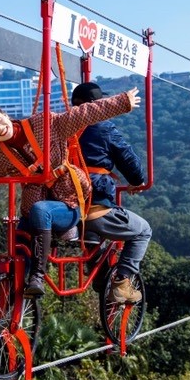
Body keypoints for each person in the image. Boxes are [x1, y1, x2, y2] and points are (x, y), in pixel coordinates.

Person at [0, 88, 141, 296]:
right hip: (36, 205)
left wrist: (122, 102)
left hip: (69, 200)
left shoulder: (45, 124)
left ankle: (38, 275)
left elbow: (84, 113)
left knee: (40, 210)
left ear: (6, 115)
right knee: (19, 244)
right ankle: (11, 305)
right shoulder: (1, 154)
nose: (0, 128)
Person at [71, 82, 152, 304]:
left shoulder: (62, 125)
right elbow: (126, 156)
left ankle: (99, 276)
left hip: (66, 204)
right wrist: (137, 181)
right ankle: (122, 282)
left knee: (91, 233)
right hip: (93, 204)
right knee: (143, 231)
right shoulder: (102, 126)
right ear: (97, 105)